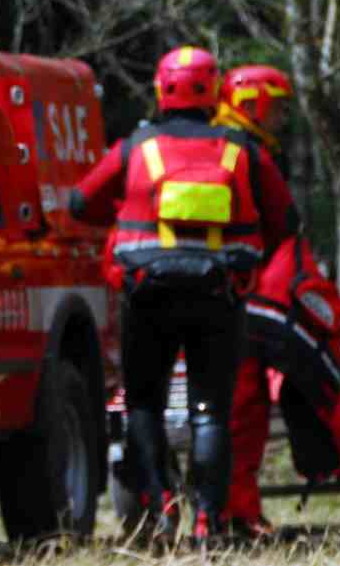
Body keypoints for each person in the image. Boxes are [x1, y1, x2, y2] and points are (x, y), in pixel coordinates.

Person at [71, 47, 295, 542]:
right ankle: (207, 522)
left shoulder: (137, 147)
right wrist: (245, 264)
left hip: (147, 297)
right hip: (220, 296)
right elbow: (287, 222)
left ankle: (159, 507)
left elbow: (79, 202)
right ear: (215, 90)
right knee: (211, 410)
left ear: (160, 88)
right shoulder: (242, 149)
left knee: (145, 404)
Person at [213, 65, 297, 538]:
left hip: (171, 293)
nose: (283, 118)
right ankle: (237, 512)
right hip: (239, 298)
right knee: (243, 409)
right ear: (251, 105)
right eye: (278, 107)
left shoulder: (196, 145)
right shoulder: (247, 152)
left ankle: (204, 510)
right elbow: (288, 219)